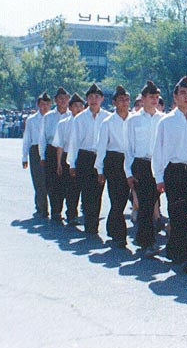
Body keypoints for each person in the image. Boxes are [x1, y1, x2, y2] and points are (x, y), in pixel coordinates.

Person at [152, 76, 187, 273]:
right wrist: (159, 178)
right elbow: (158, 151)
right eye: (182, 93)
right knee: (177, 213)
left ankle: (174, 249)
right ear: (175, 97)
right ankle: (185, 256)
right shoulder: (166, 122)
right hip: (174, 171)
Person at [124, 80, 164, 257]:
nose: (154, 100)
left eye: (157, 97)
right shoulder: (133, 120)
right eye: (151, 97)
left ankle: (144, 239)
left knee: (153, 202)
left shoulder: (163, 119)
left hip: (159, 163)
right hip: (141, 164)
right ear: (143, 98)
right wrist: (128, 172)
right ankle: (148, 242)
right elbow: (128, 148)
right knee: (146, 204)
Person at [68, 84, 110, 235]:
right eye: (91, 97)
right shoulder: (79, 119)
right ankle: (89, 224)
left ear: (102, 99)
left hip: (101, 157)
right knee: (86, 192)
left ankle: (94, 223)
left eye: (97, 97)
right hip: (85, 157)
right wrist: (72, 163)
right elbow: (74, 142)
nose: (94, 100)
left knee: (98, 192)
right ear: (87, 99)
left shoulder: (107, 117)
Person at [96, 86, 132, 247]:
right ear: (114, 102)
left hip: (131, 159)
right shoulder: (108, 122)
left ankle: (112, 226)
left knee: (124, 198)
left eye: (126, 99)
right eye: (121, 100)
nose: (124, 103)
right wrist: (99, 169)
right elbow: (102, 146)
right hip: (114, 160)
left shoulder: (135, 119)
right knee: (116, 197)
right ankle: (119, 234)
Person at [39, 87, 72, 223]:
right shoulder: (48, 116)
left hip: (67, 151)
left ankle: (66, 209)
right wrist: (42, 155)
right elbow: (42, 137)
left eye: (65, 98)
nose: (63, 101)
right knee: (52, 182)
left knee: (67, 182)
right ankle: (55, 211)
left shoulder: (73, 116)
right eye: (60, 99)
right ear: (55, 101)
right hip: (52, 151)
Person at [54, 93, 86, 225]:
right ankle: (71, 213)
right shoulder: (63, 124)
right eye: (75, 106)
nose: (78, 109)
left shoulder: (86, 121)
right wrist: (59, 163)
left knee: (83, 187)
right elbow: (60, 145)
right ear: (70, 107)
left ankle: (84, 212)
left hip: (84, 157)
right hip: (67, 157)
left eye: (80, 106)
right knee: (70, 187)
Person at [22, 91, 51, 218]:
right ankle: (42, 207)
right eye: (42, 104)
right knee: (38, 180)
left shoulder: (53, 117)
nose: (44, 106)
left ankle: (53, 207)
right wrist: (24, 157)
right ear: (38, 105)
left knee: (50, 180)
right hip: (35, 150)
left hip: (50, 150)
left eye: (47, 104)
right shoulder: (32, 120)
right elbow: (27, 138)